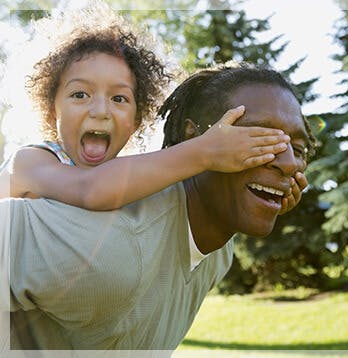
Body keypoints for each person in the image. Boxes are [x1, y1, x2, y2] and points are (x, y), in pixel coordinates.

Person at [0, 63, 313, 353]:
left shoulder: (218, 251)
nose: (287, 164)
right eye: (257, 139)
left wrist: (263, 197)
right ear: (196, 138)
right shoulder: (110, 246)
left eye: (297, 149)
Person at [0, 4, 290, 211]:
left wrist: (267, 193)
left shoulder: (127, 176)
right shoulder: (29, 162)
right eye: (79, 94)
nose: (100, 110)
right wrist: (205, 151)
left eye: (119, 98)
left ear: (136, 121)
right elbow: (89, 189)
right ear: (52, 111)